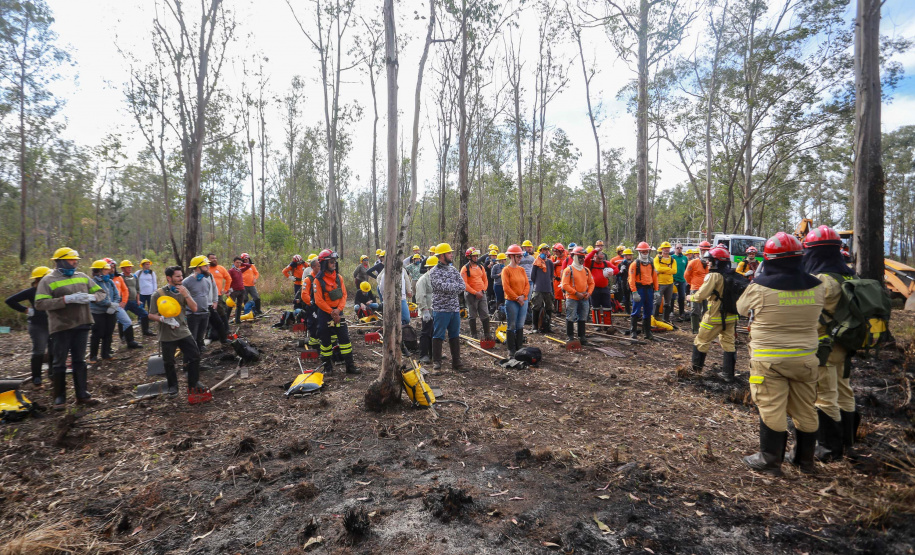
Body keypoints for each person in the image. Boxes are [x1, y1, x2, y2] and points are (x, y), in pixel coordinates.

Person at [739, 232, 834, 476]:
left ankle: (770, 460)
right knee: (805, 409)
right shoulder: (818, 286)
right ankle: (805, 461)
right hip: (805, 359)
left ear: (768, 259)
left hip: (769, 360)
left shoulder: (759, 287)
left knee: (771, 407)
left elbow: (741, 308)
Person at [803, 225, 857, 461]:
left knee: (825, 396)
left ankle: (828, 450)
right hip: (845, 343)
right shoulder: (849, 274)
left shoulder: (822, 279)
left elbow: (809, 313)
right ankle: (848, 443)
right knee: (845, 391)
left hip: (824, 345)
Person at [35, 248, 107, 408]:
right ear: (59, 261)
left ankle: (82, 395)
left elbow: (101, 293)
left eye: (76, 260)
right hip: (61, 327)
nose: (75, 262)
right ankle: (59, 398)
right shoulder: (47, 280)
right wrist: (64, 300)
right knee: (59, 363)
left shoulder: (82, 277)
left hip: (82, 323)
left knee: (79, 361)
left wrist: (92, 297)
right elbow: (40, 303)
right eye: (71, 260)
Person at [149, 265, 206, 396]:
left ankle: (194, 383)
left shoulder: (183, 290)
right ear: (169, 278)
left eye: (181, 276)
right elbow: (151, 315)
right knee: (169, 361)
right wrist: (163, 319)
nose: (181, 278)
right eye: (178, 276)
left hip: (182, 330)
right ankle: (173, 386)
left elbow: (194, 308)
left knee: (194, 355)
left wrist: (186, 295)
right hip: (167, 333)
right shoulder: (158, 294)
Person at [688, 246, 739, 381]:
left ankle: (695, 371)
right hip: (731, 316)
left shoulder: (714, 276)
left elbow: (701, 295)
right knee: (729, 343)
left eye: (710, 260)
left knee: (701, 341)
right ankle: (728, 375)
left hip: (714, 317)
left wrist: (690, 298)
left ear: (716, 261)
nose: (708, 263)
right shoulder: (731, 274)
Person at [5, 266, 53, 387]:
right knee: (39, 351)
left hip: (53, 324)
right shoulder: (32, 291)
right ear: (41, 279)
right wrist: (26, 310)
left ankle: (52, 374)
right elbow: (10, 300)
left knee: (54, 350)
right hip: (38, 326)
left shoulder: (52, 289)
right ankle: (37, 377)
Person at [313, 249, 358, 374]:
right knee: (326, 342)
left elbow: (344, 295)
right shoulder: (317, 281)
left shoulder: (339, 278)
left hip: (338, 313)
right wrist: (332, 312)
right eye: (331, 261)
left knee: (345, 340)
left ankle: (350, 366)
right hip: (324, 314)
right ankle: (328, 368)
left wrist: (338, 311)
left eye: (334, 261)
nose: (334, 263)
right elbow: (318, 300)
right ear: (324, 263)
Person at [429, 243, 466, 370]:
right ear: (442, 255)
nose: (451, 255)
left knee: (454, 335)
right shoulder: (434, 272)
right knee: (438, 335)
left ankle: (456, 362)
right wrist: (453, 287)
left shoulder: (453, 269)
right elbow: (440, 286)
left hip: (454, 309)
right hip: (441, 309)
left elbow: (462, 286)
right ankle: (437, 363)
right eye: (449, 253)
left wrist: (450, 287)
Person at [88, 259, 121, 363]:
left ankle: (105, 354)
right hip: (98, 312)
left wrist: (114, 304)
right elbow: (94, 298)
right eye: (106, 270)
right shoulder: (93, 282)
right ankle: (93, 356)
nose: (109, 271)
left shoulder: (110, 281)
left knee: (108, 332)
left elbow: (116, 294)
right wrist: (108, 304)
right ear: (99, 271)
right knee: (97, 333)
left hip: (111, 311)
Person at [561, 246, 595, 345]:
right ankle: (570, 337)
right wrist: (576, 293)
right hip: (572, 298)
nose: (582, 259)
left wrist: (589, 293)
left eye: (583, 257)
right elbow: (564, 285)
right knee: (570, 317)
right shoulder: (569, 270)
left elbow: (592, 283)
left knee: (583, 317)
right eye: (580, 257)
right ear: (574, 257)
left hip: (584, 297)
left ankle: (582, 337)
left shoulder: (586, 270)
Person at [502, 244, 531, 357]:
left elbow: (527, 284)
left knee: (520, 325)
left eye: (520, 256)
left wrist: (523, 296)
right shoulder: (506, 270)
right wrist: (517, 298)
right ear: (512, 257)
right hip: (512, 301)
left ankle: (519, 347)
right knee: (512, 325)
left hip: (523, 301)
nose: (520, 259)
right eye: (518, 256)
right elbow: (506, 287)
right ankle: (511, 349)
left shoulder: (522, 270)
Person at [183, 255, 216, 351]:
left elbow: (207, 295)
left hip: (205, 313)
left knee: (201, 334)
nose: (208, 268)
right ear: (198, 267)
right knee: (193, 335)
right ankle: (192, 352)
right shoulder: (186, 282)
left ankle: (200, 347)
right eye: (206, 266)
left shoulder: (206, 281)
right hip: (193, 314)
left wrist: (213, 302)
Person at [628, 242, 658, 340]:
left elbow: (655, 277)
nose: (645, 253)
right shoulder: (634, 264)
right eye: (643, 251)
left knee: (648, 310)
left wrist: (657, 290)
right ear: (639, 252)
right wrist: (634, 292)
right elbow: (631, 279)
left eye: (646, 251)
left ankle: (647, 332)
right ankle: (633, 332)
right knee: (636, 310)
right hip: (639, 289)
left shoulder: (651, 263)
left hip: (649, 289)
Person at [110, 260, 142, 349]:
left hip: (118, 304)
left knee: (127, 322)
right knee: (108, 327)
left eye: (113, 267)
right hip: (105, 307)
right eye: (110, 267)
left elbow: (125, 290)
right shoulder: (101, 280)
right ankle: (106, 350)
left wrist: (123, 301)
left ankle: (130, 342)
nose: (112, 269)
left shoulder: (118, 278)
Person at [119, 260, 155, 337]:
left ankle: (146, 331)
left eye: (130, 267)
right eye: (127, 267)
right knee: (121, 319)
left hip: (134, 301)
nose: (129, 268)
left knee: (144, 314)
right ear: (122, 269)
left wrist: (138, 300)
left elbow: (137, 289)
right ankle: (122, 336)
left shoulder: (134, 276)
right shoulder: (120, 277)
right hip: (124, 302)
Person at [461, 247, 491, 339]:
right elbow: (464, 284)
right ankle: (474, 335)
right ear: (469, 257)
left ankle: (487, 335)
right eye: (474, 256)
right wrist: (475, 292)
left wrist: (483, 291)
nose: (476, 257)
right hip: (471, 295)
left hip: (482, 294)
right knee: (472, 315)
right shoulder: (465, 269)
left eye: (476, 256)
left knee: (485, 314)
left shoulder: (481, 267)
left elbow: (485, 280)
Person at [584, 244, 617, 324]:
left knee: (607, 307)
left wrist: (612, 272)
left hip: (605, 288)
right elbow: (586, 259)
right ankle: (597, 324)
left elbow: (616, 269)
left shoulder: (606, 263)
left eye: (602, 258)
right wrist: (595, 250)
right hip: (594, 289)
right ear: (594, 257)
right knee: (595, 307)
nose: (600, 260)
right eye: (599, 258)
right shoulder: (590, 263)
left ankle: (607, 324)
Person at [684, 241, 712, 333]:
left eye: (707, 250)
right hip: (695, 288)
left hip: (707, 289)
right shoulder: (693, 262)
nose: (705, 252)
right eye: (703, 250)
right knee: (695, 309)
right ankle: (695, 329)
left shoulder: (711, 264)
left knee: (707, 310)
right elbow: (687, 275)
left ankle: (704, 328)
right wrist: (693, 284)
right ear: (700, 251)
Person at [415, 256, 438, 363]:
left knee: (435, 332)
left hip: (437, 309)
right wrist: (425, 310)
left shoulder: (437, 278)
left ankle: (434, 353)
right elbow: (420, 296)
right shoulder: (423, 279)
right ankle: (423, 355)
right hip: (427, 309)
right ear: (430, 267)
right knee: (426, 332)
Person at [530, 243, 555, 333]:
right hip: (538, 288)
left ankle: (548, 326)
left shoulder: (550, 262)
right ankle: (535, 326)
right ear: (540, 251)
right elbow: (532, 276)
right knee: (536, 306)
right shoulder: (536, 263)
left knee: (549, 307)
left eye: (547, 250)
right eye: (544, 250)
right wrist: (537, 283)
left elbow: (551, 275)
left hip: (548, 288)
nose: (546, 252)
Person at [207, 253, 232, 341]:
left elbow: (228, 278)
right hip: (207, 296)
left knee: (221, 312)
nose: (214, 259)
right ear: (208, 260)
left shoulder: (220, 268)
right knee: (209, 314)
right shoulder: (206, 269)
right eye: (212, 258)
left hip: (218, 295)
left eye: (215, 258)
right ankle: (210, 333)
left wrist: (226, 289)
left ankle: (226, 329)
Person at [300, 257, 322, 350]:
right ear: (313, 267)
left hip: (321, 306)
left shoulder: (322, 277)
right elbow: (304, 294)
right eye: (318, 266)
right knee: (313, 323)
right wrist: (312, 304)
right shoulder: (308, 279)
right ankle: (314, 342)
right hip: (312, 307)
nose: (320, 268)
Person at [654, 242, 677, 323]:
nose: (666, 250)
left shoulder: (672, 259)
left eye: (668, 248)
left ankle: (665, 319)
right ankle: (655, 318)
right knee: (657, 301)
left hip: (670, 283)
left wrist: (663, 270)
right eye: (665, 248)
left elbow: (674, 271)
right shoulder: (657, 259)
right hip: (660, 283)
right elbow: (658, 268)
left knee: (668, 302)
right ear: (662, 249)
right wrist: (668, 269)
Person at [228, 257, 250, 324]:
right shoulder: (231, 271)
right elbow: (228, 280)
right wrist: (229, 289)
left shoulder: (240, 270)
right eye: (237, 262)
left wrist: (242, 263)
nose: (238, 264)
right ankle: (226, 320)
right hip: (234, 291)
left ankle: (237, 320)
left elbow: (249, 265)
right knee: (230, 306)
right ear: (234, 263)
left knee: (239, 305)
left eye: (239, 262)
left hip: (241, 290)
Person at [671, 243, 689, 321]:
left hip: (682, 280)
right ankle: (671, 311)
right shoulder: (672, 257)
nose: (679, 249)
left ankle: (681, 312)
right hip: (673, 280)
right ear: (675, 249)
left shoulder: (685, 258)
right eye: (677, 248)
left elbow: (686, 269)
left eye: (680, 248)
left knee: (682, 297)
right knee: (672, 297)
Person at [616, 248, 634, 314]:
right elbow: (617, 274)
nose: (627, 257)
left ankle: (635, 312)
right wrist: (620, 271)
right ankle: (628, 312)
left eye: (628, 255)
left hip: (633, 283)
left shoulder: (634, 263)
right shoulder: (621, 264)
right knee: (626, 298)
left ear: (631, 256)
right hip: (624, 283)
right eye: (625, 255)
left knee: (634, 297)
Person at [551, 244, 567, 313]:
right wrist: (555, 263)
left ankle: (568, 311)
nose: (555, 253)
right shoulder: (554, 258)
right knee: (557, 296)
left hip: (566, 279)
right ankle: (558, 311)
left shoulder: (567, 257)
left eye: (557, 252)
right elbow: (549, 265)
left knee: (567, 296)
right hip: (557, 279)